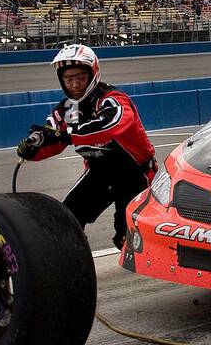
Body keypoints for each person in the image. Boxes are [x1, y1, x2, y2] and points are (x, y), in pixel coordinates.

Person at [16, 44, 156, 250]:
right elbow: (53, 138)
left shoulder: (112, 99)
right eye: (68, 79)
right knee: (67, 219)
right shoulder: (66, 109)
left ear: (92, 74)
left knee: (128, 240)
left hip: (135, 173)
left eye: (80, 77)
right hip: (99, 172)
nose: (74, 84)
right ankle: (72, 259)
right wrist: (33, 150)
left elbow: (109, 127)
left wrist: (66, 135)